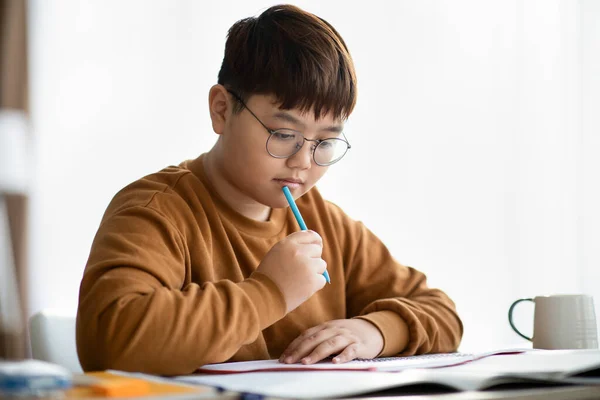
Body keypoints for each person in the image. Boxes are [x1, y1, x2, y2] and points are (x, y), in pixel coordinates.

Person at [76, 4, 463, 376]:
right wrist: (270, 292)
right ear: (222, 110)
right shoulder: (157, 212)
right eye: (284, 134)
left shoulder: (327, 226)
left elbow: (443, 314)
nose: (303, 162)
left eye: (324, 142)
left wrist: (375, 332)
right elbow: (110, 341)